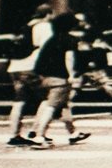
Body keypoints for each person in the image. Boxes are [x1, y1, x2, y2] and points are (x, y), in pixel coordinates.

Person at [29, 12, 93, 147]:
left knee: (61, 105)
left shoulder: (51, 40)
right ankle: (39, 135)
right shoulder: (70, 40)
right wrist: (71, 75)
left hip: (44, 78)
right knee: (51, 107)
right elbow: (69, 58)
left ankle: (73, 133)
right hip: (60, 79)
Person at [4, 3, 56, 148]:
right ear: (49, 14)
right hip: (31, 66)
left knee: (19, 100)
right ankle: (37, 132)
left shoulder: (26, 26)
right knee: (48, 98)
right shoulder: (44, 26)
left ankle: (14, 135)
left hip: (15, 67)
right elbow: (47, 47)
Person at [69, 14, 112, 113]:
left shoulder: (90, 32)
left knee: (82, 85)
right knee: (77, 85)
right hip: (84, 65)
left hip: (90, 64)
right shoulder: (82, 32)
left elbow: (95, 48)